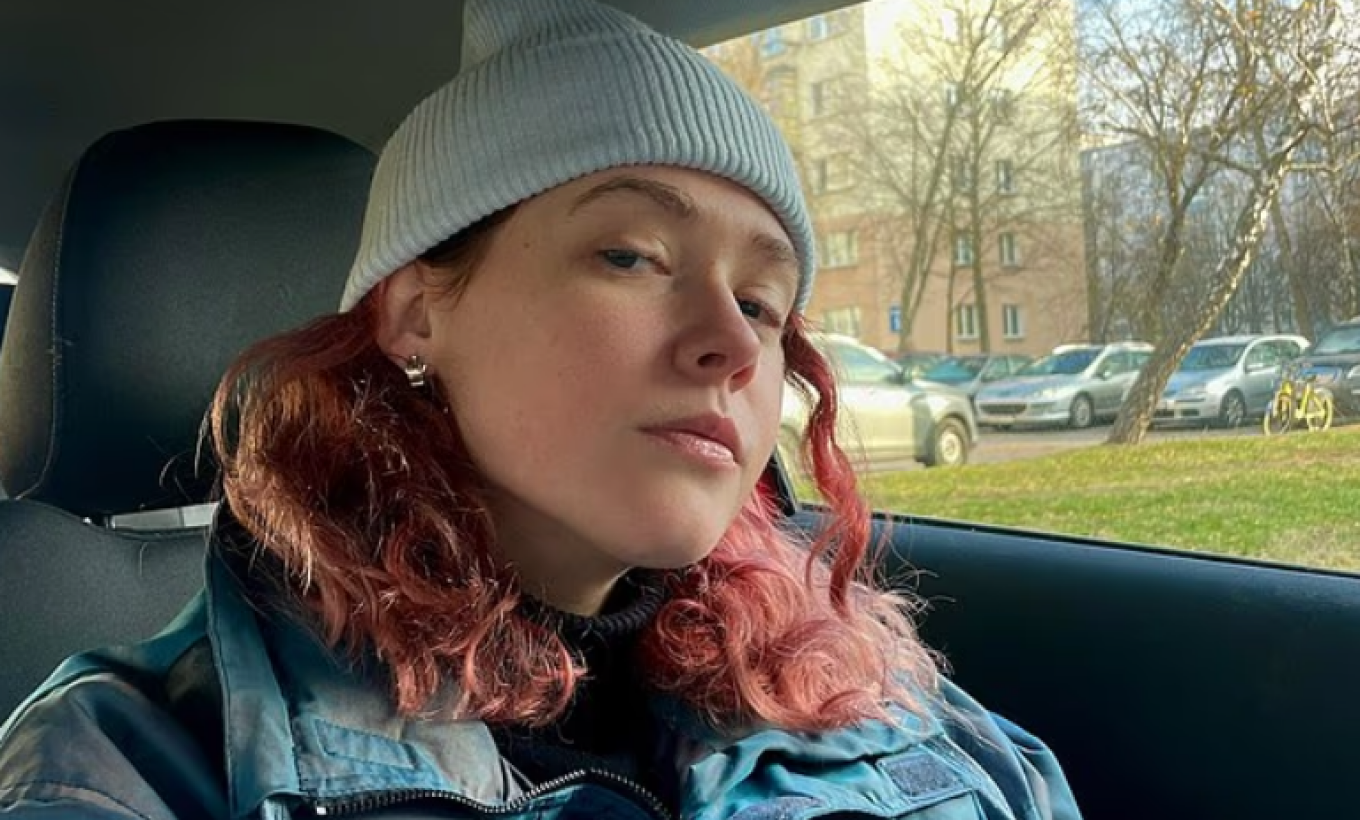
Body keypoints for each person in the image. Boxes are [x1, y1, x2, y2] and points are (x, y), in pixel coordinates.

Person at [0, 1, 1083, 817]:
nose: (731, 341)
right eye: (631, 254)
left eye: (763, 301)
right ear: (416, 312)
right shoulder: (128, 766)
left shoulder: (879, 702)